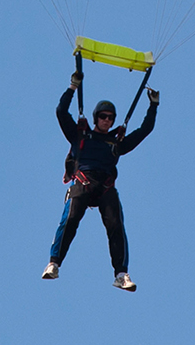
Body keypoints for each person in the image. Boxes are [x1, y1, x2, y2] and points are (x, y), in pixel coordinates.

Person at [42, 70, 158, 291]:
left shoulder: (117, 144)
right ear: (96, 118)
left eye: (110, 118)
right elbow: (60, 111)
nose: (107, 120)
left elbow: (145, 130)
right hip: (83, 183)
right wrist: (72, 88)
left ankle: (121, 274)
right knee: (70, 219)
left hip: (106, 187)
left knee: (116, 226)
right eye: (103, 116)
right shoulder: (80, 136)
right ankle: (54, 264)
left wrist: (153, 106)